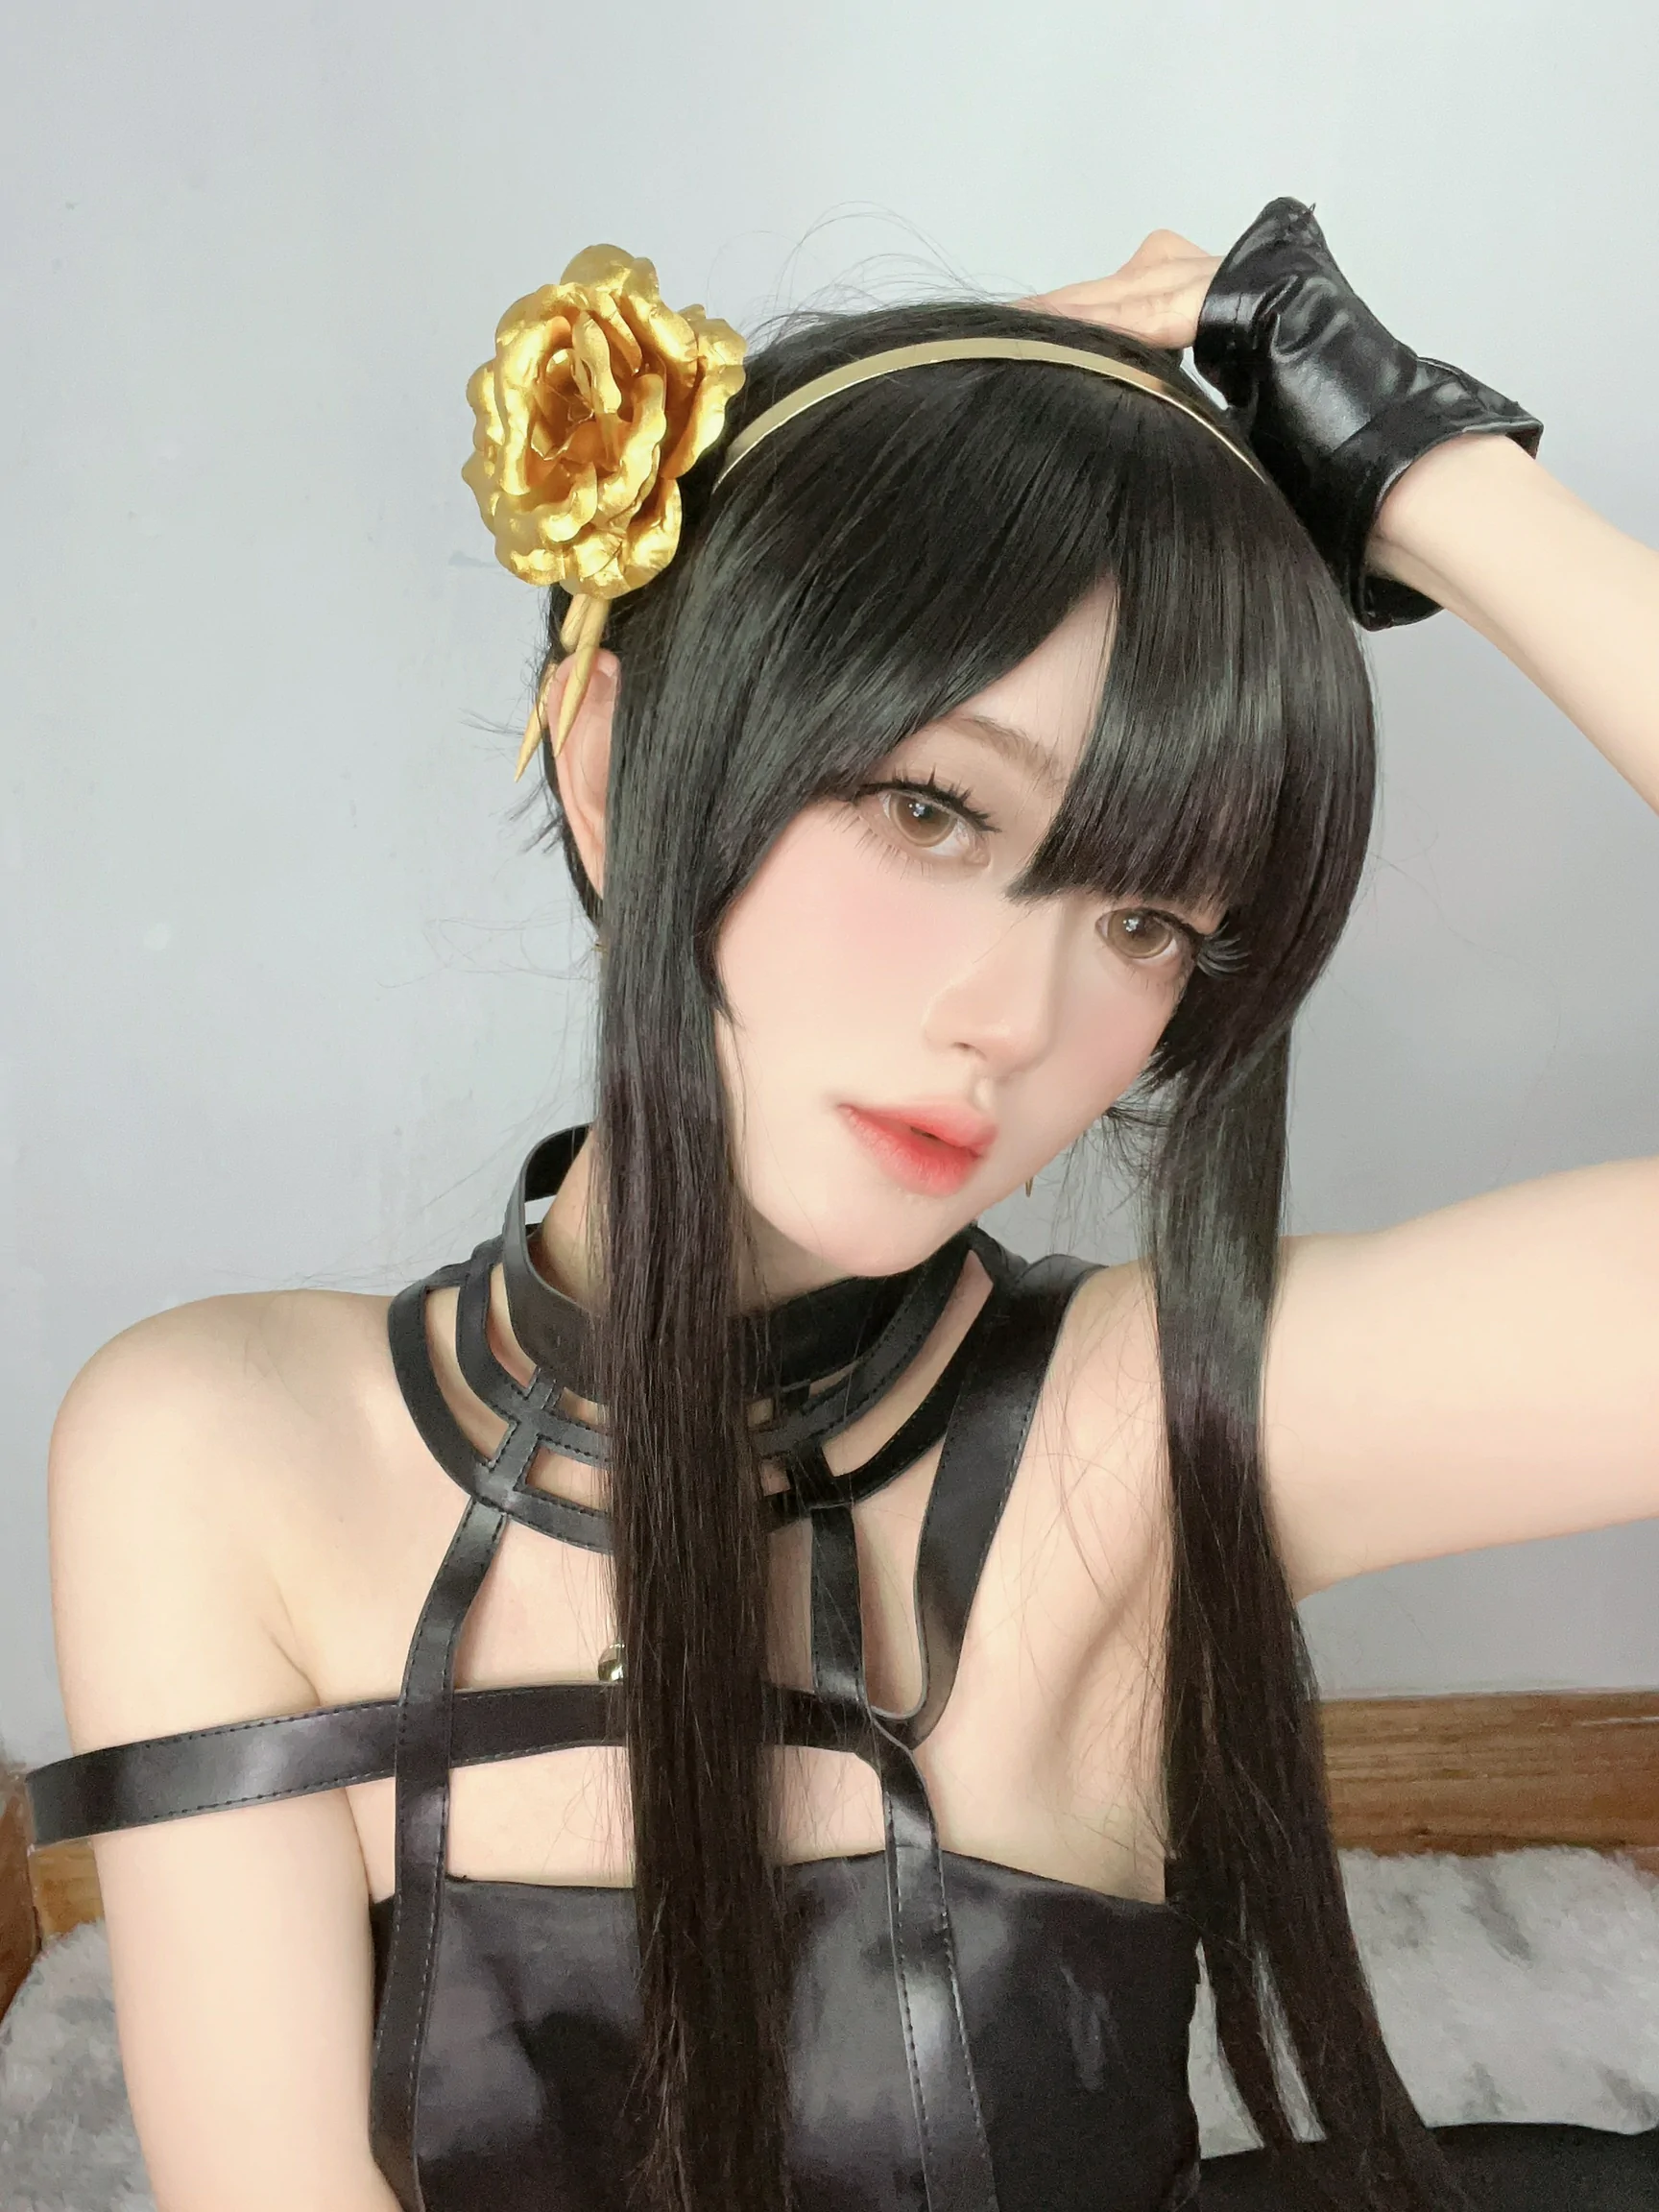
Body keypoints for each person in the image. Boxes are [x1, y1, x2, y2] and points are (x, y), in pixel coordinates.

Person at [27, 200, 1659, 2212]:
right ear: (621, 766)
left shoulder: (1138, 1437)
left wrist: (1431, 475)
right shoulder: (215, 1452)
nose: (1017, 1019)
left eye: (1149, 918)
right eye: (930, 808)